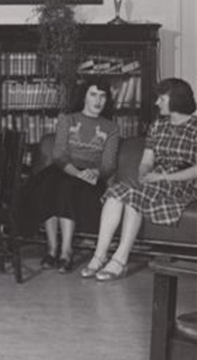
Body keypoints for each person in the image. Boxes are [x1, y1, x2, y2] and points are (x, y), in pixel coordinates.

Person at [81, 78, 197, 281]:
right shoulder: (158, 126)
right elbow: (147, 160)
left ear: (176, 100)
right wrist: (144, 173)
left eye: (161, 98)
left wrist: (163, 177)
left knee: (133, 196)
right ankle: (99, 256)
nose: (156, 103)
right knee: (117, 192)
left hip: (183, 184)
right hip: (157, 181)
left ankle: (119, 260)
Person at [21, 79, 119, 273]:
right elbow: (58, 154)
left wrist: (95, 172)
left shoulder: (111, 127)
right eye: (93, 95)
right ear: (83, 97)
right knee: (47, 184)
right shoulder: (68, 119)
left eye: (102, 96)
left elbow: (109, 163)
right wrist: (76, 173)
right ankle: (51, 249)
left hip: (92, 176)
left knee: (66, 188)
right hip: (66, 169)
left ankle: (66, 251)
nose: (98, 101)